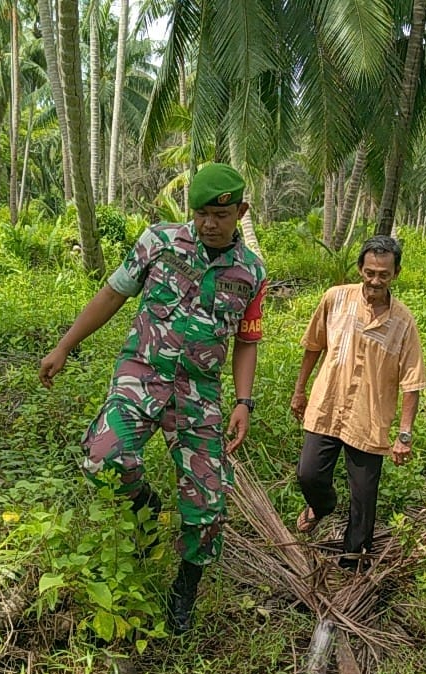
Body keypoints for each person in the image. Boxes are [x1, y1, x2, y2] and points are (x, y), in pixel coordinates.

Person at [38, 163, 267, 635]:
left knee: (208, 506)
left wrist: (244, 401)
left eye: (220, 216)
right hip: (141, 373)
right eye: (202, 213)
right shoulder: (159, 242)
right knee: (103, 459)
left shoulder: (251, 273)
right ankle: (145, 510)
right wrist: (65, 345)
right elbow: (112, 295)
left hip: (199, 393)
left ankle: (184, 588)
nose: (208, 223)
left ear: (240, 212)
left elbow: (246, 339)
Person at [290, 235, 426, 569]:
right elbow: (313, 345)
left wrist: (404, 434)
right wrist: (299, 390)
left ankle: (352, 561)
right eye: (370, 272)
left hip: (369, 419)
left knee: (364, 498)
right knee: (308, 475)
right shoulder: (335, 300)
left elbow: (413, 381)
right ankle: (321, 507)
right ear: (360, 269)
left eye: (383, 274)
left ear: (396, 273)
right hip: (326, 406)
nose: (375, 281)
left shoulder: (404, 322)